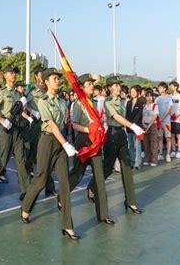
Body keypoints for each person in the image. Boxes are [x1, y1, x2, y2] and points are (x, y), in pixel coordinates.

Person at [20, 68, 80, 240]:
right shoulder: (43, 101)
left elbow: (62, 124)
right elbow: (52, 125)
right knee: (40, 179)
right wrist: (66, 143)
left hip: (60, 143)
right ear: (46, 82)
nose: (57, 81)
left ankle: (68, 226)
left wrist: (66, 143)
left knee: (64, 183)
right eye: (54, 78)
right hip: (47, 141)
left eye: (58, 79)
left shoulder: (62, 102)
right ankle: (25, 207)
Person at [87, 76, 144, 215]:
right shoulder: (107, 102)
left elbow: (123, 117)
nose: (119, 88)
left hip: (122, 134)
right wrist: (133, 126)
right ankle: (92, 186)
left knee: (126, 168)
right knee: (107, 167)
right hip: (111, 135)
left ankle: (131, 202)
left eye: (119, 85)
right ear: (109, 88)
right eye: (116, 85)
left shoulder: (122, 101)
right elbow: (116, 117)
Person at [68, 73, 114, 225]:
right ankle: (62, 196)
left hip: (96, 143)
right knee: (77, 175)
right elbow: (73, 124)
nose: (92, 86)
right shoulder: (78, 103)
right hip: (84, 141)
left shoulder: (93, 103)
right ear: (81, 87)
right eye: (88, 84)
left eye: (92, 84)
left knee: (99, 177)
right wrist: (89, 130)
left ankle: (103, 214)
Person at [0, 66, 30, 198]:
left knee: (21, 158)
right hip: (6, 127)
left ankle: (25, 190)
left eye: (15, 72)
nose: (14, 75)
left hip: (18, 128)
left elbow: (20, 111)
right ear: (5, 75)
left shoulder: (18, 94)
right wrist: (1, 120)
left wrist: (29, 116)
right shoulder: (3, 92)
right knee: (4, 159)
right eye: (11, 73)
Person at [23, 65, 56, 196]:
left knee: (46, 157)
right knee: (31, 153)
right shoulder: (31, 91)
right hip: (36, 124)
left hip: (48, 125)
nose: (43, 75)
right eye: (41, 73)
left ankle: (49, 186)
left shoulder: (48, 89)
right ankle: (27, 176)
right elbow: (24, 104)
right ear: (36, 76)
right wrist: (33, 112)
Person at [126, 85, 144, 169]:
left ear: (138, 92)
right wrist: (129, 124)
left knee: (138, 145)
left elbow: (139, 115)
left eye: (134, 91)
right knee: (131, 145)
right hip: (129, 127)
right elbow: (127, 115)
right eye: (131, 92)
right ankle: (132, 162)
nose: (132, 93)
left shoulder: (141, 103)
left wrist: (134, 125)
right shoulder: (129, 102)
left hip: (137, 127)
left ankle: (138, 163)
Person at [155, 82, 172, 162]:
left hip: (166, 121)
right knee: (160, 138)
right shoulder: (157, 99)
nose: (159, 89)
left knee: (168, 138)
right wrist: (158, 119)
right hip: (159, 121)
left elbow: (169, 109)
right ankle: (160, 153)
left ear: (164, 88)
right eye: (159, 88)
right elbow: (154, 109)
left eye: (160, 87)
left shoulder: (169, 98)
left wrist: (162, 118)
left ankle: (168, 154)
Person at [169, 81, 180, 159]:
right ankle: (173, 150)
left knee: (178, 135)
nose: (170, 88)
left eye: (171, 86)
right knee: (172, 135)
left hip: (177, 119)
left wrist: (176, 115)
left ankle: (179, 151)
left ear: (175, 87)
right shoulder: (170, 96)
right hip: (169, 119)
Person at [142, 90, 159, 166]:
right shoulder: (144, 106)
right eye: (147, 96)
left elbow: (155, 116)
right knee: (146, 143)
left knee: (153, 143)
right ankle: (147, 158)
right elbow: (142, 116)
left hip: (153, 125)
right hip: (144, 125)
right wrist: (143, 123)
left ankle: (154, 160)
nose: (149, 98)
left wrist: (148, 126)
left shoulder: (155, 105)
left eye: (150, 96)